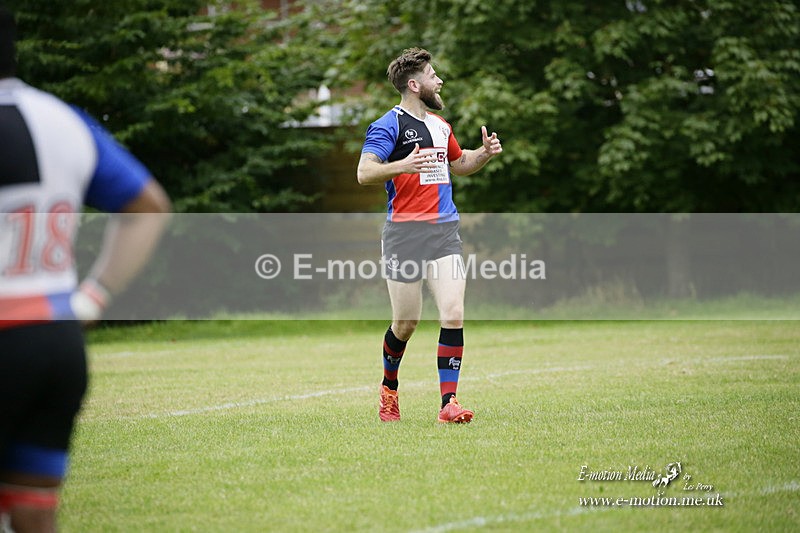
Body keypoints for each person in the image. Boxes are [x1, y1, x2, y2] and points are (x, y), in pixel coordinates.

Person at [0, 5, 171, 531]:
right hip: (55, 344)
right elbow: (149, 207)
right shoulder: (60, 117)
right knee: (32, 513)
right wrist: (94, 296)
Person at [357, 47, 502, 423]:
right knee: (406, 323)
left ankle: (448, 404)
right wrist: (403, 164)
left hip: (443, 232)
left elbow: (459, 163)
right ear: (414, 83)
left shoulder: (441, 126)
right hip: (403, 235)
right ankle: (389, 388)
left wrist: (483, 154)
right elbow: (364, 172)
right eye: (433, 75)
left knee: (453, 313)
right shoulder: (388, 125)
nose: (440, 81)